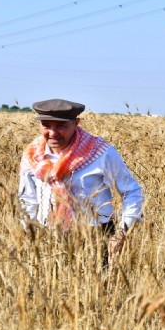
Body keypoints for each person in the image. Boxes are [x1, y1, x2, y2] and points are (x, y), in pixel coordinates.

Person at [18, 98, 144, 261]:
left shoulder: (101, 153)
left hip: (95, 237)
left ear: (76, 123)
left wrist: (122, 233)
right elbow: (27, 199)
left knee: (98, 286)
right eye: (46, 126)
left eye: (61, 126)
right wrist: (30, 233)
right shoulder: (31, 156)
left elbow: (132, 192)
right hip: (47, 237)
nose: (53, 133)